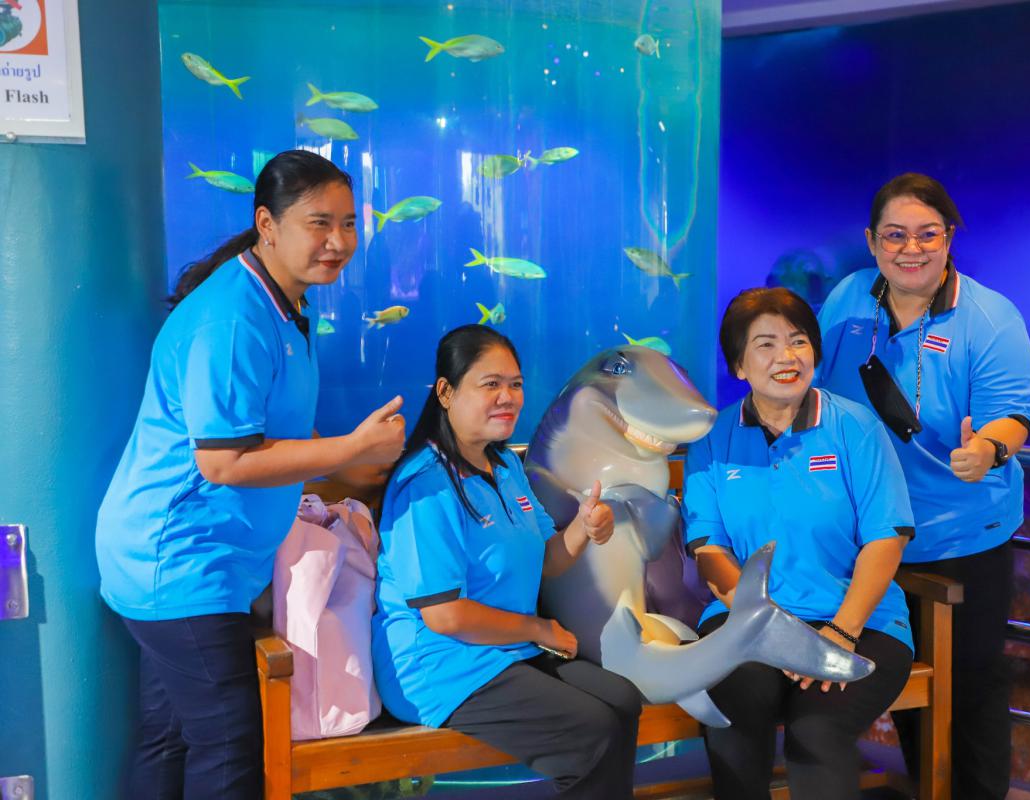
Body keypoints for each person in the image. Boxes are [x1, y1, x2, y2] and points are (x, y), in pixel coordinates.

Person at [95, 150, 408, 800]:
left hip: (192, 563)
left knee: (170, 736)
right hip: (180, 563)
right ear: (267, 224)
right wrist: (350, 449)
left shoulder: (282, 305)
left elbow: (273, 431)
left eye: (349, 223)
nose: (338, 241)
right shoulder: (234, 319)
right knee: (232, 746)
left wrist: (356, 464)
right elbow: (223, 461)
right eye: (319, 223)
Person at [817, 172, 1030, 799]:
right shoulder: (849, 297)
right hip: (872, 536)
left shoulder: (989, 318)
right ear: (871, 241)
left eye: (927, 234)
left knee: (970, 686)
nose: (910, 249)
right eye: (894, 235)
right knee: (907, 689)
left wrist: (986, 449)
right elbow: (816, 390)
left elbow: (1013, 413)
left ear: (949, 237)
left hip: (962, 533)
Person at [371, 324, 642, 799]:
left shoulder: (505, 466)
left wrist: (584, 526)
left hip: (504, 651)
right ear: (446, 392)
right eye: (490, 384)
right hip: (439, 665)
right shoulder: (426, 483)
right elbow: (444, 615)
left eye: (515, 384)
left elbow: (547, 561)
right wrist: (541, 630)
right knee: (591, 731)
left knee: (622, 700)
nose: (508, 397)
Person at [682, 287, 916, 800]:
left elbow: (886, 539)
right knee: (733, 704)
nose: (786, 357)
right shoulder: (712, 440)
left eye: (798, 341)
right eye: (765, 344)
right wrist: (771, 630)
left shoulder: (855, 427)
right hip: (748, 620)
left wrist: (841, 631)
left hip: (858, 621)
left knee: (817, 732)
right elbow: (709, 551)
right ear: (738, 364)